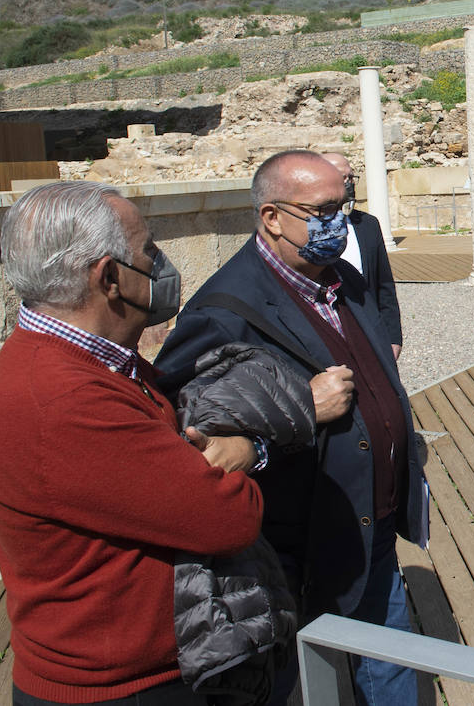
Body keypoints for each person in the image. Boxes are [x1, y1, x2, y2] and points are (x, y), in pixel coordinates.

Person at [0, 182, 264, 705]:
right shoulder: (64, 398)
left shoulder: (89, 361)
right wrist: (242, 454)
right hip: (118, 690)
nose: (160, 263)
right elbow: (229, 518)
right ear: (110, 277)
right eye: (148, 249)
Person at [155, 150, 429, 706]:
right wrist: (299, 409)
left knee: (391, 670)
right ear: (272, 217)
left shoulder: (343, 280)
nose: (340, 222)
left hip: (369, 527)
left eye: (344, 206)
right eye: (324, 210)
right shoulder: (223, 311)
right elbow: (193, 446)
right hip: (293, 551)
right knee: (291, 684)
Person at [321, 152, 404, 360]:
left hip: (369, 331)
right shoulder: (307, 228)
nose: (349, 183)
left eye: (351, 177)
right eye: (343, 178)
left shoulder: (367, 224)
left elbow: (384, 284)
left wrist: (394, 337)